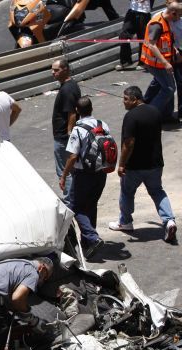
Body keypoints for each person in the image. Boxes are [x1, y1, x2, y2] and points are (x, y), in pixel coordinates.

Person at [109, 86, 177, 243]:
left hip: (135, 166)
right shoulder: (154, 111)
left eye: (126, 99)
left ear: (134, 99)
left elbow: (129, 143)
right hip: (155, 163)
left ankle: (125, 221)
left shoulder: (131, 117)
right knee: (157, 191)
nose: (123, 102)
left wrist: (121, 164)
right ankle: (169, 220)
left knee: (127, 192)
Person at [59, 97, 109, 258]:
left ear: (77, 111)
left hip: (84, 174)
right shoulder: (102, 124)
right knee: (91, 205)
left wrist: (64, 175)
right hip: (101, 172)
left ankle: (93, 238)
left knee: (77, 207)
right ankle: (88, 243)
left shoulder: (78, 130)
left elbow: (73, 157)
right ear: (92, 109)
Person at [140, 2, 181, 120]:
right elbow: (152, 45)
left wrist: (174, 50)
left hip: (161, 62)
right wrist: (165, 63)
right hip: (156, 64)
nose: (179, 18)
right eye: (179, 15)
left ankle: (165, 114)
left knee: (160, 85)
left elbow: (166, 40)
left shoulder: (166, 21)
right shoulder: (157, 24)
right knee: (169, 89)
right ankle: (149, 115)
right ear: (173, 13)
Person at [51, 58, 81, 205]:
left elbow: (72, 114)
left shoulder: (68, 89)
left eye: (56, 70)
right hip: (64, 136)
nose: (53, 73)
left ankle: (70, 201)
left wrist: (69, 134)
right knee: (70, 170)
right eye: (52, 70)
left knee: (65, 171)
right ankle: (73, 197)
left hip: (63, 137)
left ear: (65, 69)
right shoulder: (69, 86)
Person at [116, 0, 153, 71]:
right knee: (123, 36)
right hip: (132, 11)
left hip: (144, 12)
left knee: (143, 38)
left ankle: (142, 62)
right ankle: (126, 60)